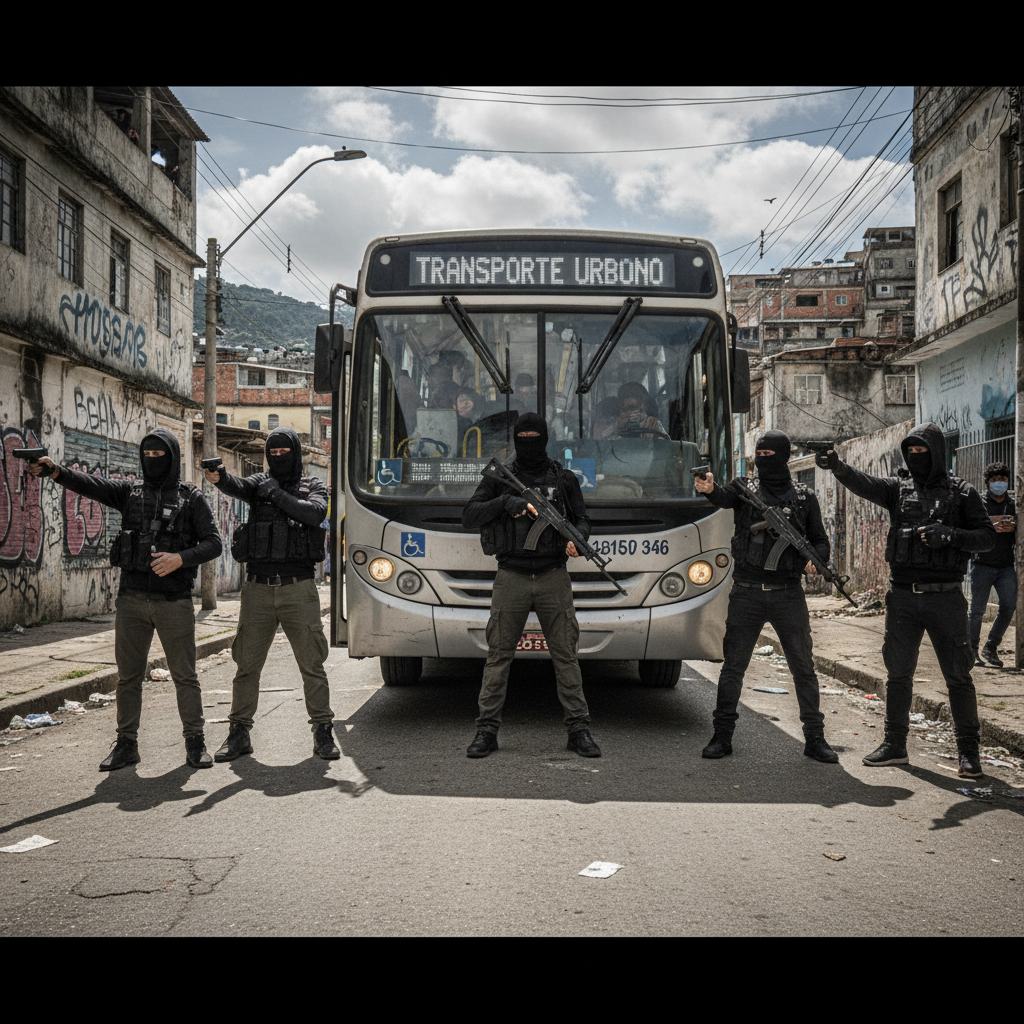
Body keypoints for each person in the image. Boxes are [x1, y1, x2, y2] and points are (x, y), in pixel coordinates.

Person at [29, 430, 222, 771]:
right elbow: (90, 484)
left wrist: (180, 558)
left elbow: (213, 543)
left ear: (173, 457)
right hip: (131, 599)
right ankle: (126, 744)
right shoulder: (130, 493)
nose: (152, 460)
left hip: (174, 602)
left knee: (185, 676)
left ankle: (195, 742)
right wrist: (54, 470)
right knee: (128, 677)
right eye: (147, 454)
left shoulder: (190, 498)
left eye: (159, 455)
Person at [816, 423, 995, 777]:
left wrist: (950, 535)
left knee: (958, 676)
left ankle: (969, 753)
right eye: (910, 451)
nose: (916, 458)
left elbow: (987, 537)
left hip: (945, 598)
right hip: (902, 598)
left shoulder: (962, 493)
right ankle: (895, 745)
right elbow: (862, 482)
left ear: (937, 453)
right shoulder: (898, 490)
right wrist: (836, 465)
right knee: (898, 674)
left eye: (922, 452)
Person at [694, 430, 838, 763]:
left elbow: (820, 540)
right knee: (733, 668)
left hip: (788, 594)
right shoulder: (745, 489)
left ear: (784, 456)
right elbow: (721, 496)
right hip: (746, 592)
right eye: (759, 454)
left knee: (803, 668)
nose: (763, 460)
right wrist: (709, 488)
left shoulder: (803, 497)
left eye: (769, 454)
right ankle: (722, 736)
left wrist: (815, 561)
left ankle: (815, 739)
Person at [461, 413, 600, 758]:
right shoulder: (501, 478)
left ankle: (579, 729)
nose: (528, 442)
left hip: (554, 575)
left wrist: (578, 539)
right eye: (522, 437)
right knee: (498, 657)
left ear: (545, 439)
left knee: (566, 656)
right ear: (515, 439)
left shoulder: (563, 478)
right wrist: (506, 503)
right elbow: (470, 515)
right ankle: (487, 731)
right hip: (511, 576)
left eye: (533, 436)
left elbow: (582, 519)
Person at [205, 428, 339, 761]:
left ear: (295, 452)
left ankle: (322, 732)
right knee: (246, 666)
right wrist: (219, 476)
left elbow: (315, 514)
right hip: (258, 591)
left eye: (284, 452)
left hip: (299, 588)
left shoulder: (314, 486)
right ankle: (239, 733)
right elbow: (236, 486)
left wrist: (277, 495)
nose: (278, 457)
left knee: (312, 666)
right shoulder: (258, 485)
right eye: (273, 453)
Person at [968, 461, 1016, 668]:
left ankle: (991, 647)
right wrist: (991, 527)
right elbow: (971, 529)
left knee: (1008, 605)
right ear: (987, 483)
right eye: (995, 480)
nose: (999, 484)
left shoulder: (1014, 505)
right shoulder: (979, 504)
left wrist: (1014, 527)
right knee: (977, 610)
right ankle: (971, 650)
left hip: (1006, 566)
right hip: (982, 564)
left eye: (1003, 480)